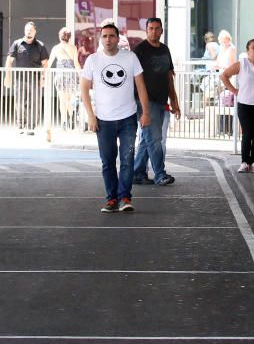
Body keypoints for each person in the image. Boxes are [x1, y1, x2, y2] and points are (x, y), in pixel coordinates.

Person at [81, 23, 151, 213]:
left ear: (118, 38)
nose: (108, 39)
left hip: (128, 118)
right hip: (103, 120)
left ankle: (125, 197)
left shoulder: (130, 58)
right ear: (100, 39)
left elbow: (141, 87)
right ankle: (111, 199)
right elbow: (84, 90)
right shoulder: (93, 60)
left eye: (112, 36)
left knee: (127, 160)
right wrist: (90, 115)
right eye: (104, 36)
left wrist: (145, 112)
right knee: (108, 161)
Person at [132, 18, 181, 186]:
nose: (153, 31)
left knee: (147, 139)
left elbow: (169, 77)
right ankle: (160, 174)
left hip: (161, 100)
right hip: (145, 101)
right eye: (150, 28)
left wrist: (174, 101)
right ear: (146, 30)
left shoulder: (165, 50)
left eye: (157, 28)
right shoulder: (140, 50)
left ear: (162, 31)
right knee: (155, 139)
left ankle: (138, 173)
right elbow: (133, 77)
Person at [221, 38, 254, 173]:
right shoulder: (241, 64)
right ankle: (244, 162)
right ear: (247, 50)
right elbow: (224, 76)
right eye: (253, 47)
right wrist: (234, 91)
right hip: (245, 105)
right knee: (247, 132)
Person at [4, 21, 49, 135]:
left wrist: (43, 78)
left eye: (31, 30)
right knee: (19, 103)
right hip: (20, 79)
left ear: (35, 32)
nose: (28, 32)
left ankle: (31, 127)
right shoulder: (17, 43)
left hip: (34, 80)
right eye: (27, 30)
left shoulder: (40, 45)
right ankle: (20, 125)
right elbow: (9, 61)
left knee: (34, 103)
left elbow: (45, 63)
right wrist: (7, 76)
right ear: (24, 31)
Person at [49, 27, 82, 131]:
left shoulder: (56, 48)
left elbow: (49, 63)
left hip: (60, 75)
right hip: (71, 76)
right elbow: (76, 63)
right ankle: (71, 118)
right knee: (70, 99)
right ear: (69, 37)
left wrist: (43, 74)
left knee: (62, 100)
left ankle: (64, 122)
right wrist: (80, 75)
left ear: (60, 36)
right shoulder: (73, 48)